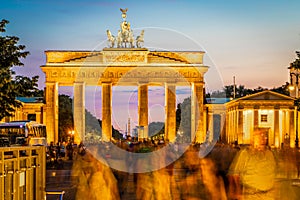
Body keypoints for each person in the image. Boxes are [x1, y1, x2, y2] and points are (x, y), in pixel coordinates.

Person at [227, 128, 276, 200]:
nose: (262, 138)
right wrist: (237, 190)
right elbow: (233, 173)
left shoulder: (270, 153)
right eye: (259, 136)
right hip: (252, 195)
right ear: (253, 139)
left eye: (264, 136)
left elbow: (273, 172)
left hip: (269, 195)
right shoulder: (245, 153)